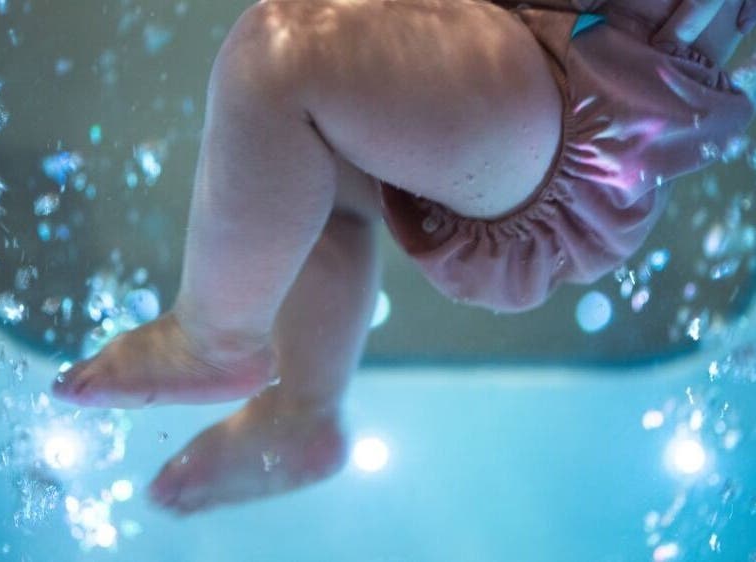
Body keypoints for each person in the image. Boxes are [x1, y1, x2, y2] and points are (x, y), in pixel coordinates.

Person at [52, 0, 756, 513]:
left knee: (279, 55)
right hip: (530, 63)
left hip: (567, 94)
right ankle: (302, 414)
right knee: (311, 181)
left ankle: (209, 339)